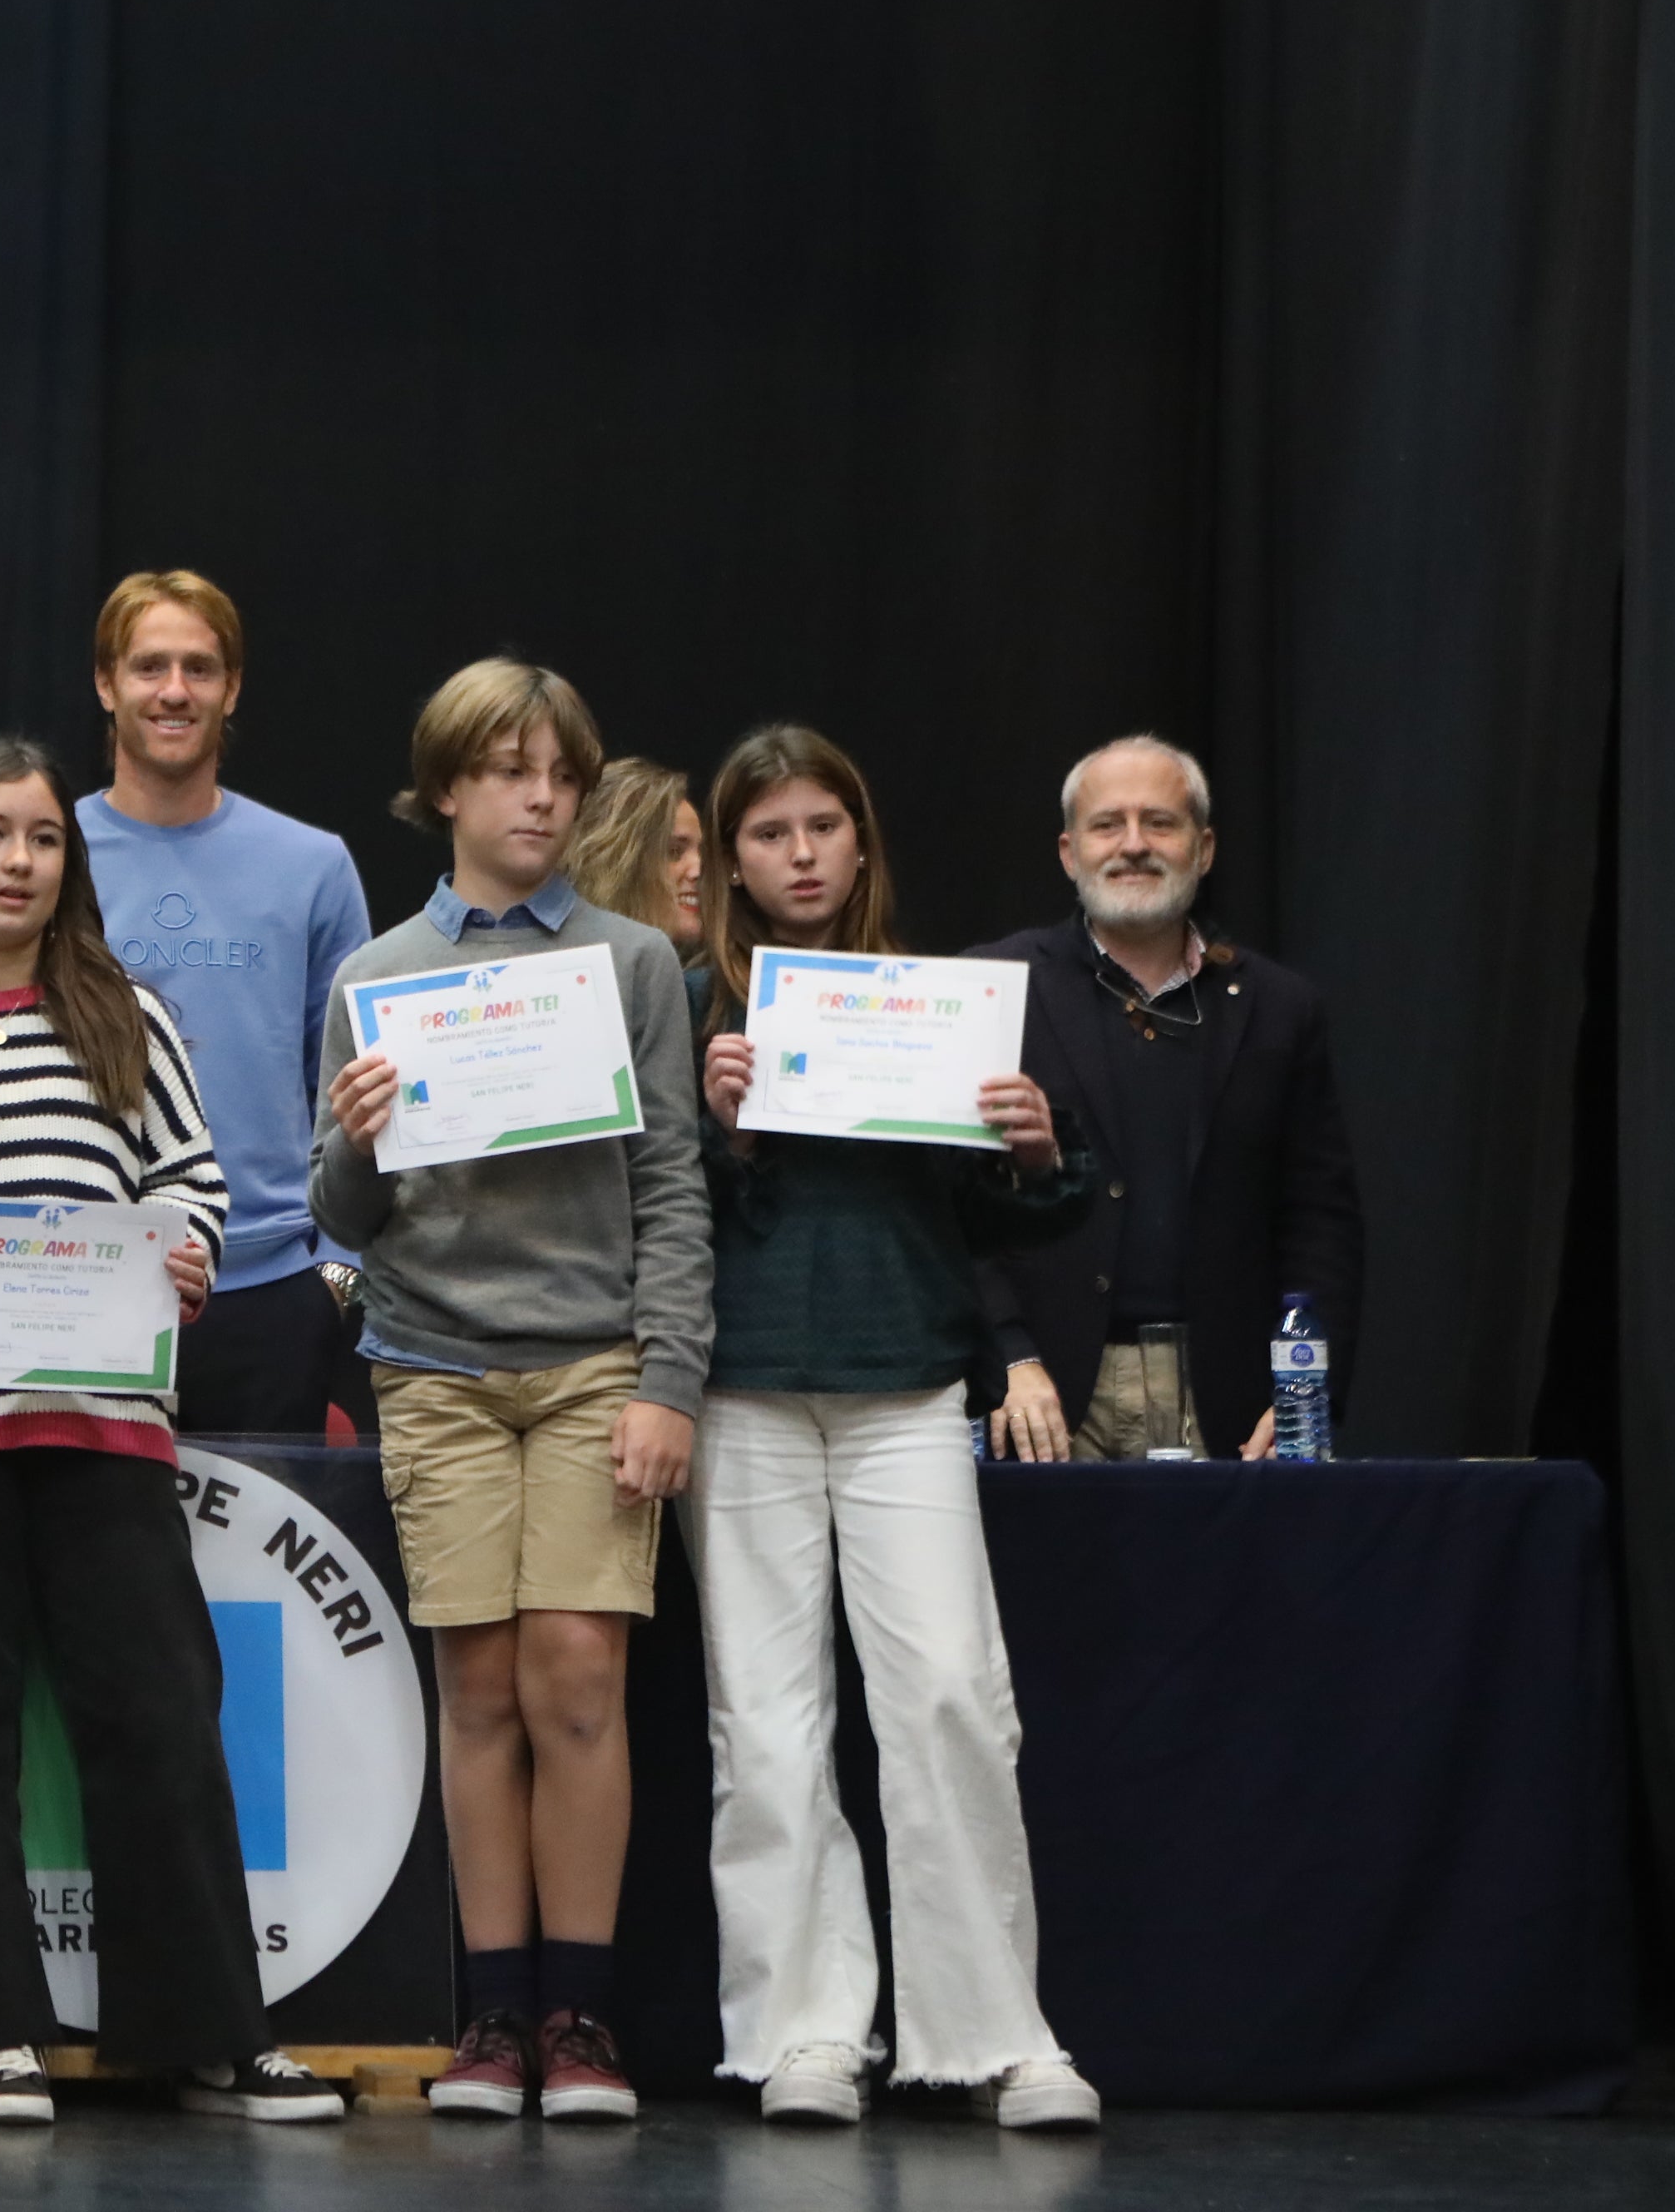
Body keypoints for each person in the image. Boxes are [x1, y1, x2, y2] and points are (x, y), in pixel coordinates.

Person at [0, 736, 342, 2130]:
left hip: (102, 1430)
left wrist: (187, 1257)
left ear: (64, 864)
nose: (17, 859)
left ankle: (208, 2035)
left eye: (40, 837)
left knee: (156, 1716)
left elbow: (192, 1187)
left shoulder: (125, 1016)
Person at [684, 725, 1104, 2133]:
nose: (797, 854)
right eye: (767, 833)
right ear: (729, 859)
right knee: (765, 1720)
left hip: (906, 1387)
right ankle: (802, 2032)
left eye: (821, 827)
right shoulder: (694, 1008)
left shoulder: (940, 1006)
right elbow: (654, 1218)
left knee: (943, 1699)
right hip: (739, 1392)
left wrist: (1034, 1151)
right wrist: (714, 1131)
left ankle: (993, 2033)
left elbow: (1002, 1214)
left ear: (858, 842)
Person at [310, 657, 710, 2125]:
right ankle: (487, 2014)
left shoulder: (629, 964)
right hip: (432, 1369)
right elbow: (340, 1219)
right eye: (506, 769)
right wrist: (356, 1143)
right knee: (475, 1691)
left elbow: (670, 1182)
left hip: (596, 1363)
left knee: (576, 1681)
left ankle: (581, 2014)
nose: (538, 795)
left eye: (559, 772)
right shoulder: (374, 974)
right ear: (446, 791)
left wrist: (666, 1376)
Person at [968, 737, 1365, 1461]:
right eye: (1106, 824)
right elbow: (947, 1208)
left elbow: (1321, 1220)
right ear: (1068, 852)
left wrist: (1306, 1394)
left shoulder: (1282, 1009)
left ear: (1204, 848)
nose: (1133, 845)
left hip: (1232, 1404)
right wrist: (1009, 1360)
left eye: (1160, 822)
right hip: (1041, 1401)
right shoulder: (992, 986)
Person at [74, 571, 375, 1437]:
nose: (175, 691)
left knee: (258, 1570)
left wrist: (337, 1274)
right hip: (81, 1280)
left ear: (232, 687)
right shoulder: (47, 858)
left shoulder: (312, 866)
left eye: (200, 669)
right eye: (149, 667)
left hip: (269, 1289)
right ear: (106, 683)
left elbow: (353, 1085)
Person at [561, 759, 704, 963]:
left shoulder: (714, 984)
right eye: (673, 852)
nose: (699, 870)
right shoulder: (560, 971)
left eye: (703, 853)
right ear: (618, 862)